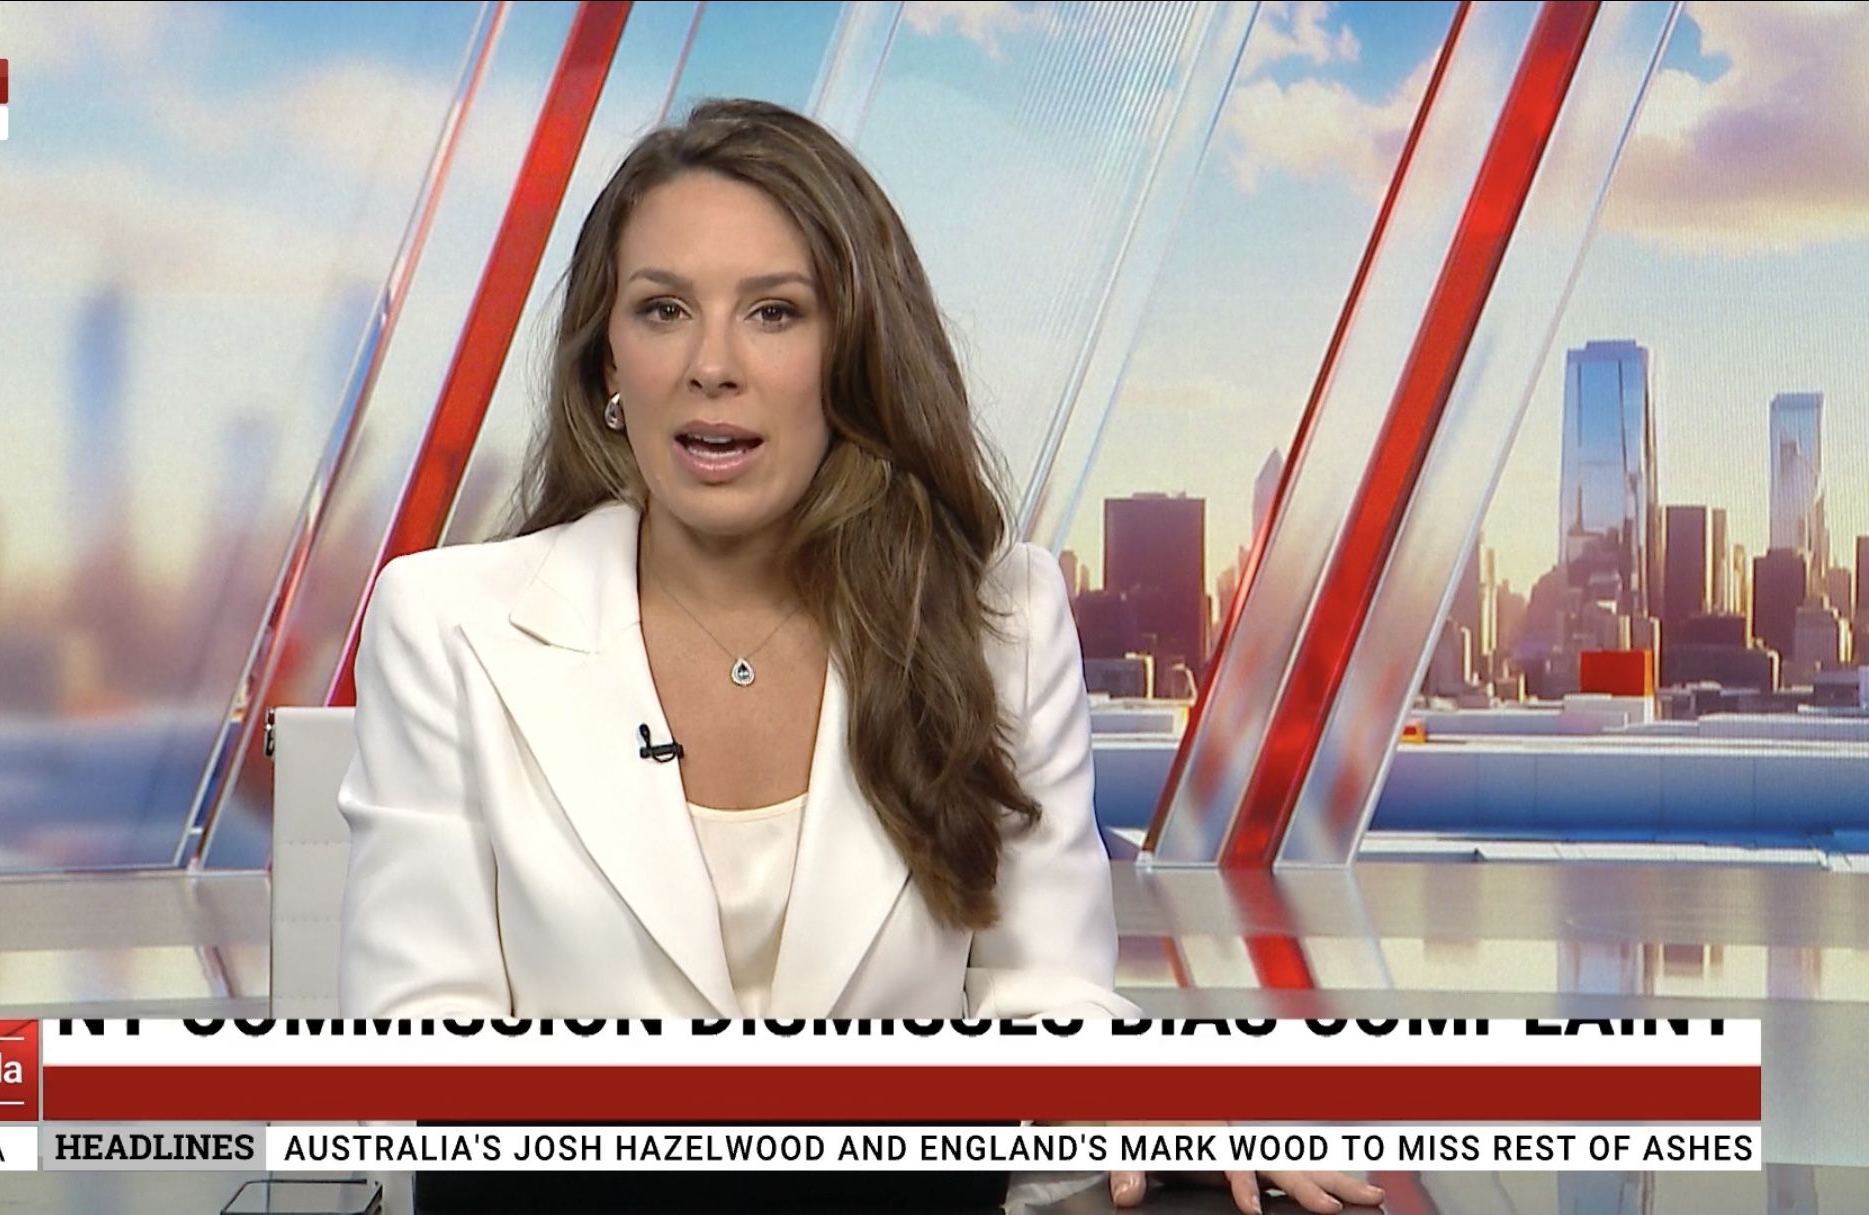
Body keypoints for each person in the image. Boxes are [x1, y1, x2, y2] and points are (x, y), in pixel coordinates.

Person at [337, 97, 1378, 1214]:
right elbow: (420, 1048)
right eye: (664, 309)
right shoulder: (447, 623)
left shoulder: (1000, 619)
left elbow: (1042, 994)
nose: (712, 365)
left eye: (775, 312)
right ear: (607, 366)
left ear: (854, 357)